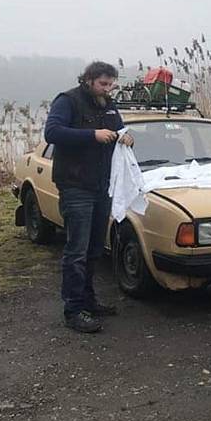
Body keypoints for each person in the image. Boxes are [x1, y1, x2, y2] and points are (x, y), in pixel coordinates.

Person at [44, 61, 134, 333]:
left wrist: (127, 137)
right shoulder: (68, 101)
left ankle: (89, 301)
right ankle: (73, 310)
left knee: (95, 249)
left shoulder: (109, 104)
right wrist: (92, 135)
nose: (108, 89)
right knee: (77, 251)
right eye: (103, 84)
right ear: (88, 80)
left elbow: (120, 130)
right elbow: (52, 132)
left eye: (111, 85)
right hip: (75, 185)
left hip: (102, 186)